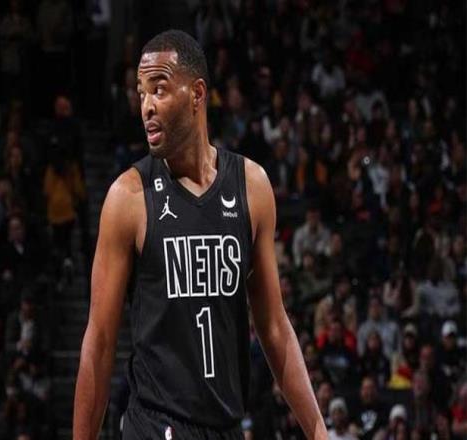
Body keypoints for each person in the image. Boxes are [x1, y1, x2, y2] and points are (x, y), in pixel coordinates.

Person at [73, 30, 326, 439]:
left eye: (159, 89)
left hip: (226, 426)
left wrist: (318, 430)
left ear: (197, 94)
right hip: (156, 425)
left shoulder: (252, 186)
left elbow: (274, 326)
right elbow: (100, 342)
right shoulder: (127, 198)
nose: (146, 106)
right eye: (141, 92)